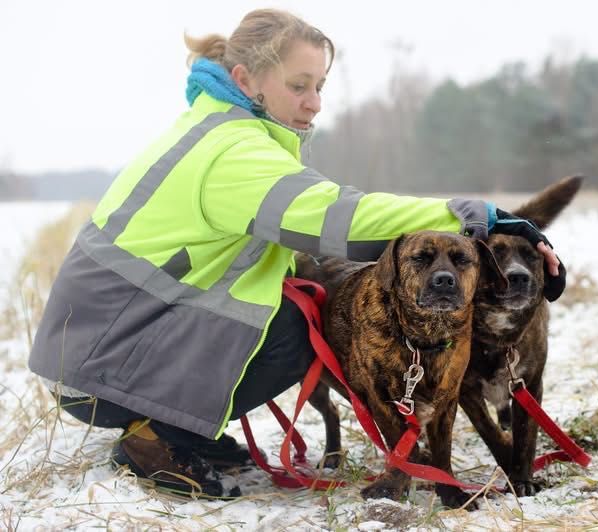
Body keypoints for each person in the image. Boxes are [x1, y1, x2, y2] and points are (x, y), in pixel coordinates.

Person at [28, 8, 565, 498]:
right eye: (298, 85)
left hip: (90, 353)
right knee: (302, 321)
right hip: (100, 368)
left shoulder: (216, 130)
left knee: (288, 299)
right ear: (246, 81)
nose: (315, 101)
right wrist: (475, 217)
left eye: (320, 85)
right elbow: (340, 217)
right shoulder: (234, 152)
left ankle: (186, 428)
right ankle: (160, 436)